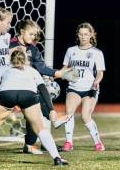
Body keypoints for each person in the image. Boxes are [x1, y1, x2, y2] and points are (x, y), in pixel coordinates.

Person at [0, 50, 69, 166]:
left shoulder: (3, 68)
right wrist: (51, 109)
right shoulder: (32, 71)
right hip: (27, 95)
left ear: (10, 59)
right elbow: (43, 89)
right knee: (40, 128)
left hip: (7, 94)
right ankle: (57, 158)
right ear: (26, 60)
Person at [10, 19, 78, 154]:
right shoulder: (8, 44)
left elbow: (41, 67)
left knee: (34, 114)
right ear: (22, 32)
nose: (34, 38)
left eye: (35, 35)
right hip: (9, 86)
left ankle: (29, 144)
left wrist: (59, 73)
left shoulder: (33, 49)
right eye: (31, 34)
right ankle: (52, 117)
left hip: (27, 88)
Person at [60, 22, 106, 152]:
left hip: (90, 88)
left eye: (86, 34)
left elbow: (100, 72)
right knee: (69, 113)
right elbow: (65, 69)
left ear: (91, 35)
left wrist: (96, 81)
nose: (83, 37)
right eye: (81, 34)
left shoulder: (97, 52)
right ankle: (69, 142)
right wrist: (53, 75)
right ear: (78, 35)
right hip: (74, 87)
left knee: (85, 116)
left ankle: (98, 143)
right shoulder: (71, 51)